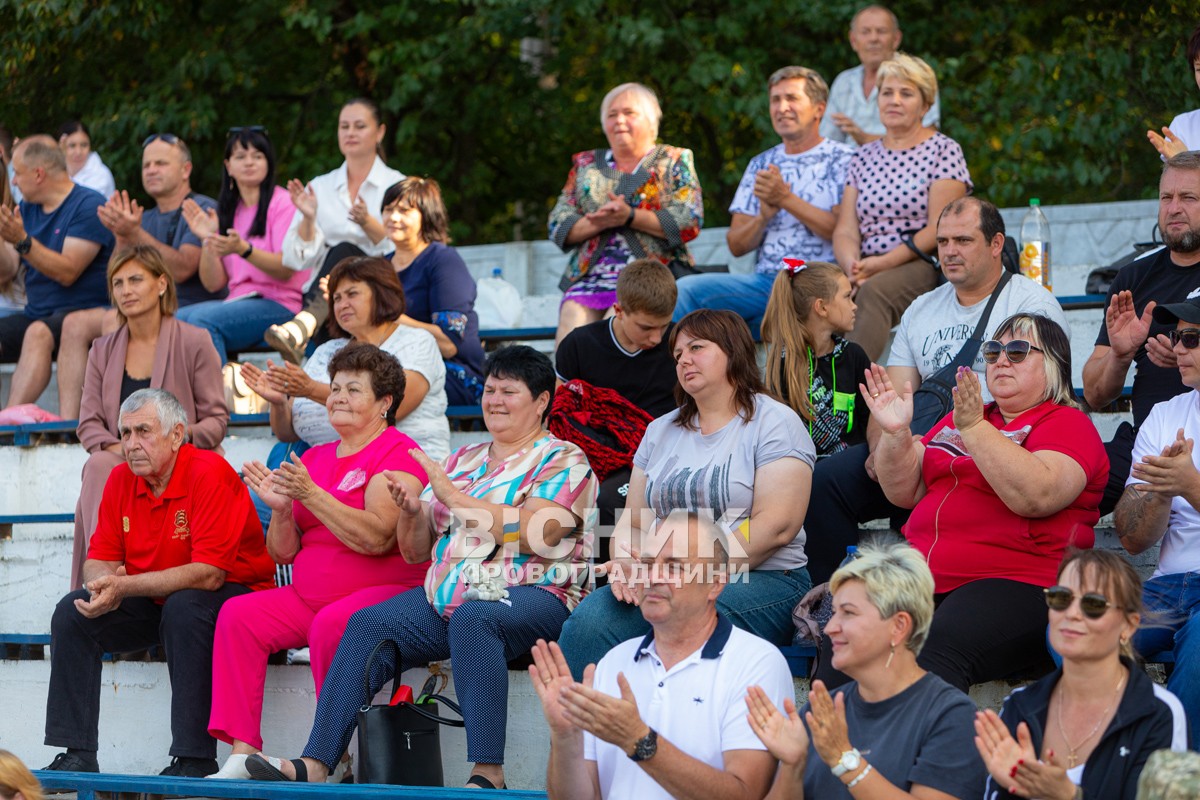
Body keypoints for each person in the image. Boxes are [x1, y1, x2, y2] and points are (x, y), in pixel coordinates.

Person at [244, 345, 597, 790]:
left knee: (476, 616)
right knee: (368, 624)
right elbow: (415, 553)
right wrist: (412, 512)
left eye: (509, 391)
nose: (494, 400)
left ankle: (488, 772)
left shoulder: (564, 458)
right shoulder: (462, 460)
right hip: (448, 593)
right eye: (489, 390)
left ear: (542, 401)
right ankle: (318, 761)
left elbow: (540, 533)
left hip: (537, 593)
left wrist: (452, 499)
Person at [804, 197, 1069, 583]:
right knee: (825, 482)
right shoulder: (922, 308)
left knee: (921, 492)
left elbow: (1046, 399)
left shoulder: (1030, 304)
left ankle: (913, 597)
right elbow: (891, 397)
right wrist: (884, 450)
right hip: (920, 446)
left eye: (963, 240)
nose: (949, 251)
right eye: (942, 242)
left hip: (993, 449)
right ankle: (832, 602)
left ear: (996, 245)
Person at [208, 343, 430, 780]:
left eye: (353, 389)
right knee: (238, 614)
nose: (338, 397)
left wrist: (311, 495)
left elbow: (377, 538)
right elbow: (283, 553)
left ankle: (330, 755)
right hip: (308, 595)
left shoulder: (397, 454)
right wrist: (284, 510)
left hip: (384, 594)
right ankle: (242, 752)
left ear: (385, 403)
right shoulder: (315, 457)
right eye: (333, 389)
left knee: (332, 623)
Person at [558, 308, 815, 679]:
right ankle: (580, 733)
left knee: (682, 617)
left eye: (696, 347)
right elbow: (633, 523)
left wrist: (688, 569)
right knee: (591, 621)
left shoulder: (774, 421)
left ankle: (658, 731)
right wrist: (629, 566)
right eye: (678, 355)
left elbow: (777, 526)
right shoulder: (660, 430)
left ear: (732, 350)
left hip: (762, 578)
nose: (684, 360)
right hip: (664, 574)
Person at [863, 312, 1109, 693]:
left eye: (1017, 350)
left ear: (1054, 365)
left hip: (1021, 583)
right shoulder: (964, 418)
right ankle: (832, 749)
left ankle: (931, 750)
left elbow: (1036, 495)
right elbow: (904, 491)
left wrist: (975, 429)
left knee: (939, 642)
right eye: (993, 351)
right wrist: (895, 434)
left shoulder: (1067, 423)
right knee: (850, 631)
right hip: (927, 578)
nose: (1001, 360)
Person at [41, 388, 275, 777]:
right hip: (159, 597)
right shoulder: (120, 479)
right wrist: (102, 585)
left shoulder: (209, 472)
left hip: (236, 595)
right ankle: (78, 753)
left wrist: (125, 586)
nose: (131, 444)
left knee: (185, 607)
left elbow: (209, 573)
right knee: (72, 612)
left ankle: (194, 757)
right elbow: (98, 559)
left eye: (143, 432)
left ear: (177, 435)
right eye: (126, 433)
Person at [532, 512, 794, 800]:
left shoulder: (756, 664)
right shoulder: (612, 662)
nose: (652, 578)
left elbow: (746, 794)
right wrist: (565, 738)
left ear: (716, 584)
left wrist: (639, 740)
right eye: (645, 564)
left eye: (673, 567)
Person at [746, 541, 985, 799]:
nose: (829, 628)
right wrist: (793, 766)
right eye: (833, 612)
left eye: (848, 613)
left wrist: (845, 760)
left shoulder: (950, 715)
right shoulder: (821, 710)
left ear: (899, 625)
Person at [71, 245, 227, 590]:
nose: (125, 290)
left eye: (135, 280)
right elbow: (89, 424)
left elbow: (216, 419)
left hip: (180, 463)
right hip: (122, 465)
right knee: (99, 465)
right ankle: (105, 581)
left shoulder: (195, 340)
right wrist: (129, 448)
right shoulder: (101, 349)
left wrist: (166, 444)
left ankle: (131, 585)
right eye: (118, 282)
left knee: (110, 465)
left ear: (161, 284)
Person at [977, 550, 1188, 800]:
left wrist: (1069, 796)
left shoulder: (1157, 711)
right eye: (1060, 598)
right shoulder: (1021, 705)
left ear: (1128, 625)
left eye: (1093, 604)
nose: (1072, 613)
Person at [673, 67, 851, 336]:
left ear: (819, 109)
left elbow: (842, 231)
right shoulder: (762, 163)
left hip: (821, 283)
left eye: (792, 98)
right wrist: (764, 217)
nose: (782, 107)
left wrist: (786, 199)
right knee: (686, 291)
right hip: (767, 283)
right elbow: (736, 245)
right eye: (775, 100)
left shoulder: (846, 159)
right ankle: (670, 376)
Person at [56, 132, 221, 420]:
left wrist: (134, 234)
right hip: (139, 306)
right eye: (146, 165)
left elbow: (182, 268)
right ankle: (69, 425)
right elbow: (115, 279)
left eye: (161, 163)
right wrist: (122, 236)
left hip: (181, 309)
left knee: (113, 319)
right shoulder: (143, 218)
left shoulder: (201, 209)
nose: (151, 170)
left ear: (186, 170)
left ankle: (119, 419)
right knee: (74, 324)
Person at [240, 256, 450, 462]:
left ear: (381, 294)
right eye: (337, 298)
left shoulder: (415, 341)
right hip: (326, 473)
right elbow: (287, 434)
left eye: (352, 294)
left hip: (402, 470)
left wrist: (310, 389)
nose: (342, 304)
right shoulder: (326, 350)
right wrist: (278, 403)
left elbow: (395, 407)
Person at [832, 52, 970, 361]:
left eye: (905, 93)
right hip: (864, 265)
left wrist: (881, 264)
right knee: (812, 292)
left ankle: (849, 393)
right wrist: (852, 268)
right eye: (886, 92)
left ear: (925, 105)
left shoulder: (943, 149)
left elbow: (940, 227)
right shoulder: (862, 156)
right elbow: (845, 228)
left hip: (921, 262)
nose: (894, 100)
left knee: (874, 291)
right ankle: (799, 394)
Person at [1083, 151, 1200, 515]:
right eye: (1166, 198)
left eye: (1189, 198)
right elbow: (1095, 394)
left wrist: (1189, 351)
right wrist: (1120, 354)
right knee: (1068, 489)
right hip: (1144, 440)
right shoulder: (1133, 278)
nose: (1174, 208)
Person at [549, 82, 703, 345]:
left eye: (629, 113)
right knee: (571, 329)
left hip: (650, 276)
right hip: (591, 277)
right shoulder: (586, 164)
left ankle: (602, 387)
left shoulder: (674, 159)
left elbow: (690, 218)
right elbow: (557, 224)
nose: (619, 120)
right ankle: (566, 387)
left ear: (651, 121)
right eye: (612, 114)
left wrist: (629, 216)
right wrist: (599, 221)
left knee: (615, 328)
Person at [1114, 296, 1200, 750]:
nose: (1178, 349)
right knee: (1076, 631)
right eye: (1175, 337)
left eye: (1192, 338)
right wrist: (1163, 493)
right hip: (1169, 584)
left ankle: (1177, 776)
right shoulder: (1166, 415)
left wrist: (1190, 484)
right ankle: (1126, 754)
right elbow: (1130, 538)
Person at [271, 99, 404, 357]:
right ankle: (308, 324)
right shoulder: (320, 187)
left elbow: (405, 249)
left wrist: (368, 224)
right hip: (327, 298)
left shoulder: (398, 186)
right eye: (344, 126)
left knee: (346, 251)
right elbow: (295, 259)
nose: (350, 133)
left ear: (380, 132)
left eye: (359, 126)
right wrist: (308, 219)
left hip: (376, 296)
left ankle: (304, 325)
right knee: (339, 255)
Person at [555, 258, 678, 537]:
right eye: (646, 327)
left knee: (610, 500)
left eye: (664, 326)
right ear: (619, 310)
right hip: (600, 454)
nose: (657, 338)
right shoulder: (579, 344)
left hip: (662, 454)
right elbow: (559, 412)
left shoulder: (679, 343)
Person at [0, 135, 113, 406]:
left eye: (17, 173)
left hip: (84, 313)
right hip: (37, 313)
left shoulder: (88, 205)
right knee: (37, 327)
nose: (13, 181)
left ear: (39, 174)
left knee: (39, 332)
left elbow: (68, 271)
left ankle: (9, 428)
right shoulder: (27, 208)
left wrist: (22, 240)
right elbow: (8, 269)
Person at [177, 126, 305, 364]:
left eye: (258, 156)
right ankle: (182, 399)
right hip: (239, 301)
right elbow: (214, 282)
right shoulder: (229, 211)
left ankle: (215, 400)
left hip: (280, 303)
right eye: (240, 156)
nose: (250, 162)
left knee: (202, 321)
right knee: (175, 320)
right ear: (228, 166)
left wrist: (243, 249)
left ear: (268, 164)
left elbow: (286, 267)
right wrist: (207, 238)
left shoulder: (283, 203)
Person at [378, 176, 485, 404]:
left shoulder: (443, 260)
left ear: (425, 217)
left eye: (404, 211)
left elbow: (448, 343)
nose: (393, 218)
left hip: (453, 374)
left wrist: (389, 319)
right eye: (388, 210)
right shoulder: (379, 267)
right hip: (393, 368)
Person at [762, 259, 869, 457]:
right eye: (847, 297)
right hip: (804, 472)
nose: (854, 306)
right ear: (821, 307)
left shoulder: (854, 355)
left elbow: (870, 422)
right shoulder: (784, 364)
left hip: (855, 466)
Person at [819, 5, 940, 147]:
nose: (873, 38)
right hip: (848, 167)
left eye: (881, 31)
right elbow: (827, 141)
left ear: (896, 39)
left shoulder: (916, 77)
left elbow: (930, 139)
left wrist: (867, 140)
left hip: (902, 165)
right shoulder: (843, 82)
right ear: (853, 40)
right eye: (865, 32)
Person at [1147, 24, 1200, 159]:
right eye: (1199, 69)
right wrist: (1181, 163)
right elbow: (1171, 181)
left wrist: (1190, 164)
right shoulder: (1182, 127)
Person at [57, 121, 115, 198]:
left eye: (84, 145)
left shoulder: (100, 175)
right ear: (62, 147)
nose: (78, 152)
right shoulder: (55, 170)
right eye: (72, 145)